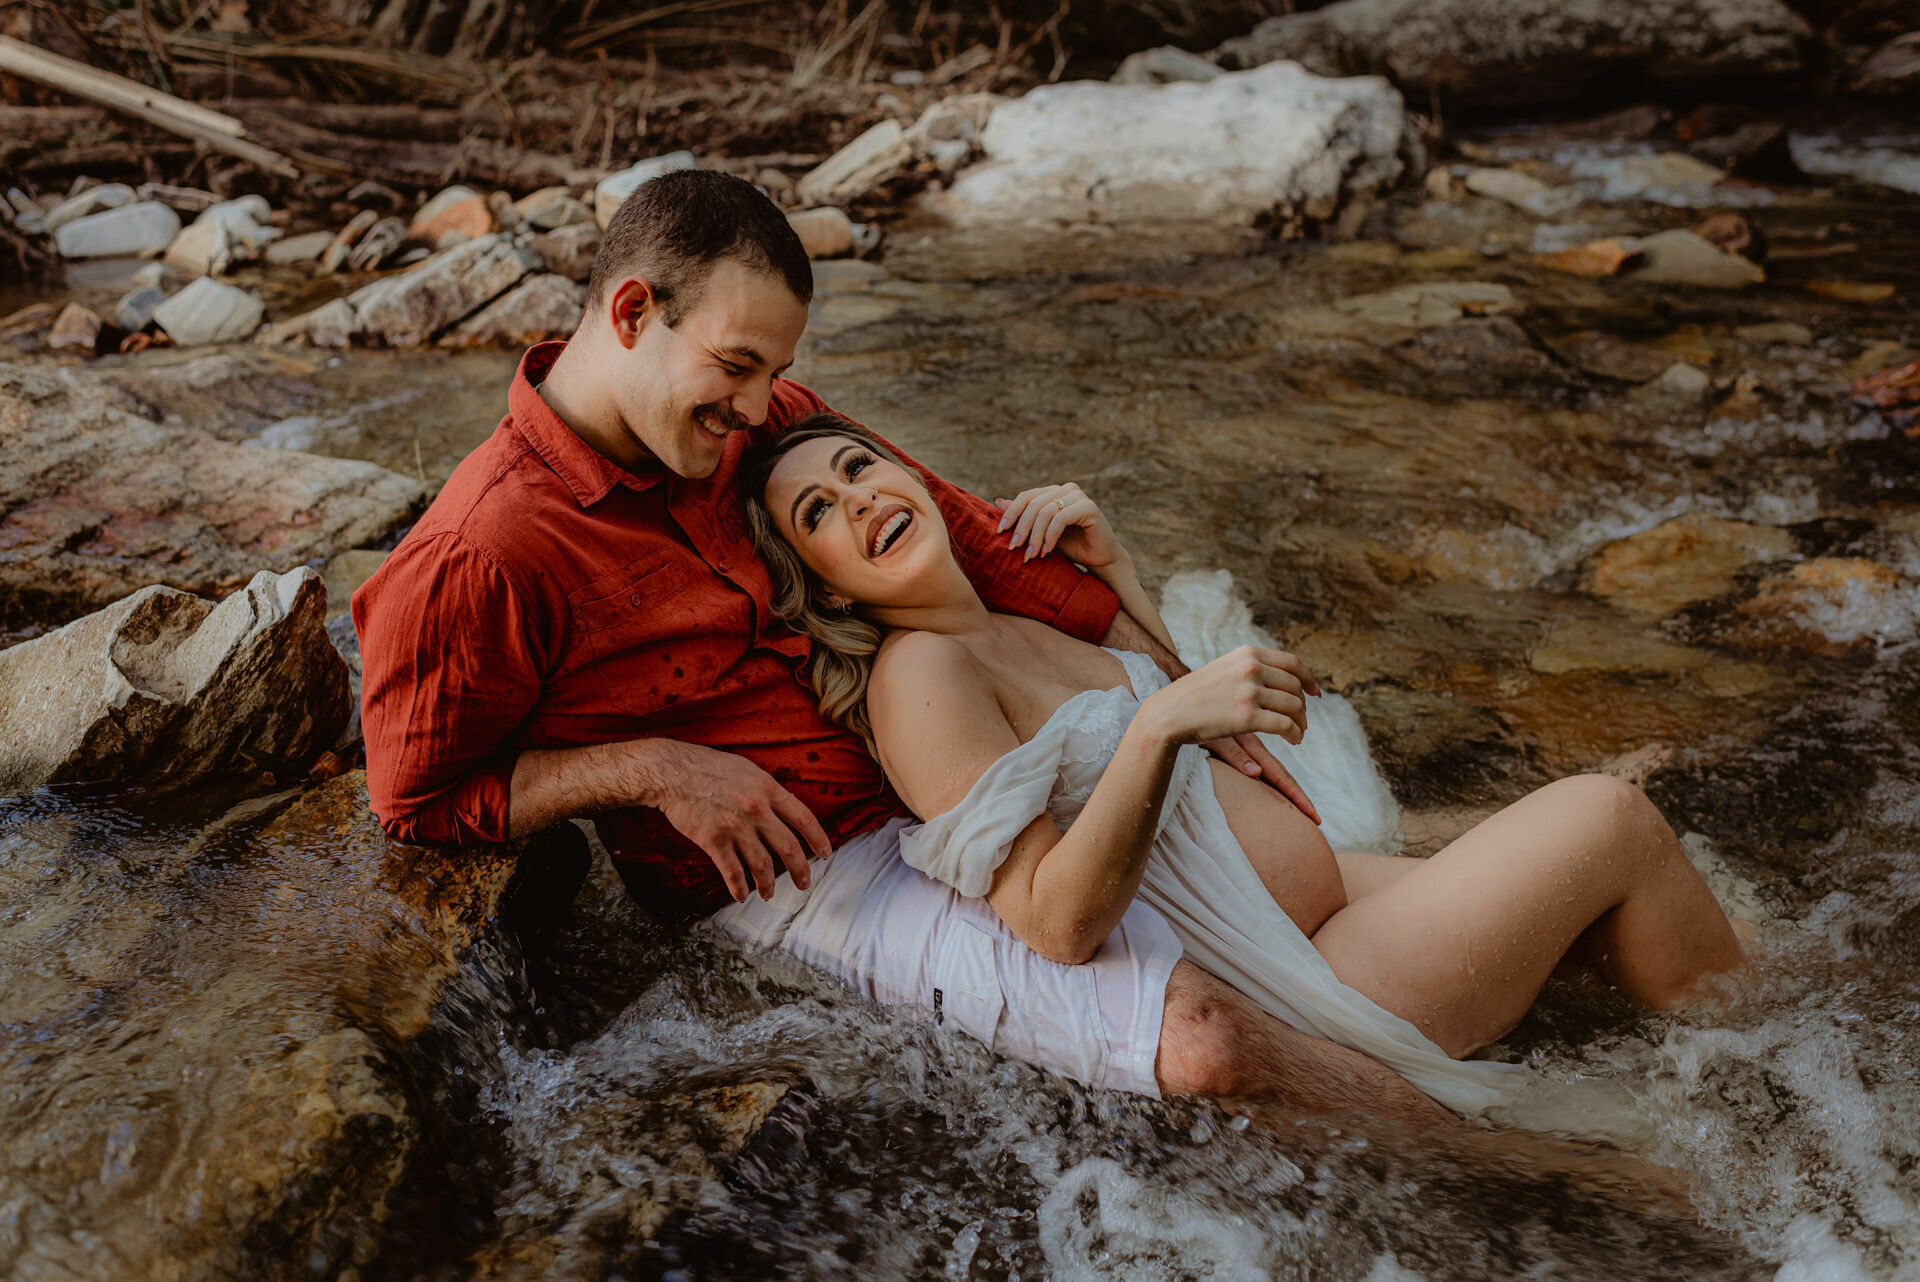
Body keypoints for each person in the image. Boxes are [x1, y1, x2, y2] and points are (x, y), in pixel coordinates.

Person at [352, 168, 1449, 1126]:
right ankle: (1532, 1175)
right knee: (1205, 1037)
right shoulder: (483, 551)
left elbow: (1000, 555)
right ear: (633, 310)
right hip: (812, 869)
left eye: (772, 371)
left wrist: (1184, 686)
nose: (755, 406)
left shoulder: (763, 418)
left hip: (959, 770)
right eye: (735, 367)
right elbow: (413, 795)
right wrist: (652, 768)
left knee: (1283, 891)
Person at [742, 413, 1751, 1117]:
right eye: (818, 513)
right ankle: (1771, 1067)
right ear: (823, 590)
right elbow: (1053, 919)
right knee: (1608, 820)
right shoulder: (920, 673)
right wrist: (1154, 729)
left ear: (913, 478)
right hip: (1302, 971)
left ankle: (1752, 1039)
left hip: (1320, 903)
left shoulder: (1011, 618)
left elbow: (1197, 720)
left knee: (1604, 937)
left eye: (857, 468)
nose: (855, 497)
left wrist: (1118, 571)